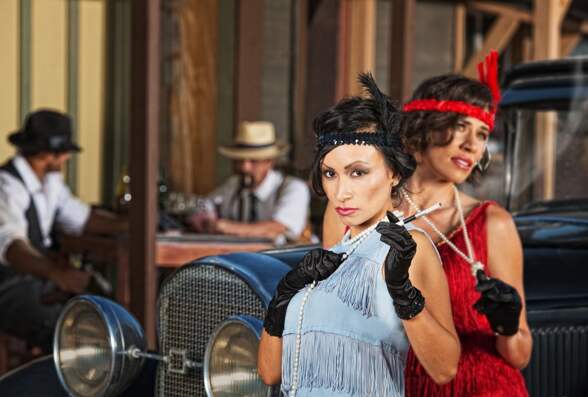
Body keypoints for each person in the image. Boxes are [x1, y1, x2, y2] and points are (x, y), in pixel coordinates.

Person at [323, 53, 532, 396]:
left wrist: (508, 326)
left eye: (482, 134)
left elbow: (520, 355)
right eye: (461, 126)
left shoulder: (491, 224)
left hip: (482, 388)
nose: (472, 144)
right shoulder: (349, 212)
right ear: (423, 124)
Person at [258, 74, 460, 396]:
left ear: (393, 173)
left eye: (358, 173)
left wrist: (404, 295)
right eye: (330, 174)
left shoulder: (410, 247)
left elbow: (445, 369)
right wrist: (282, 299)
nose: (341, 193)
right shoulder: (329, 257)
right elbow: (269, 374)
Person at [0, 109, 128, 351]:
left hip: (24, 279)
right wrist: (56, 274)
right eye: (64, 153)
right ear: (48, 154)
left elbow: (82, 218)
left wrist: (138, 223)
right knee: (65, 326)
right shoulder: (1, 188)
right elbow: (12, 248)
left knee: (100, 310)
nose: (67, 159)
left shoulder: (49, 182)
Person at [192, 121, 310, 242]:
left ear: (269, 162)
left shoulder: (293, 188)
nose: (245, 167)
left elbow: (276, 228)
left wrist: (226, 227)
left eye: (254, 161)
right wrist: (206, 219)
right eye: (240, 160)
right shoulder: (234, 185)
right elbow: (204, 204)